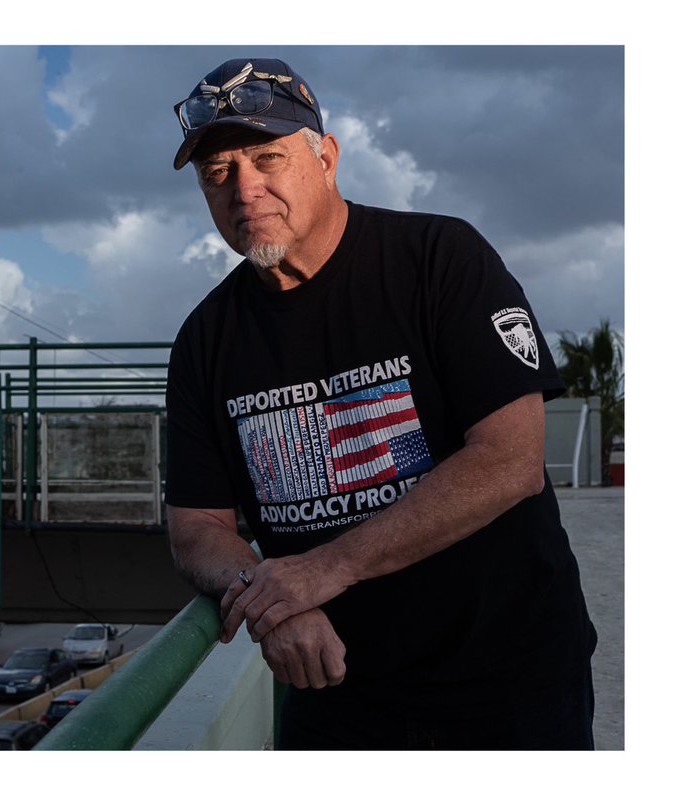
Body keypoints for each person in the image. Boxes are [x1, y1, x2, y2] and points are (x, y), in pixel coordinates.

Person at [164, 57, 597, 750]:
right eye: (218, 174)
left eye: (267, 157)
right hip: (334, 694)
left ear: (326, 158)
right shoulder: (204, 342)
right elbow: (195, 527)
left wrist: (325, 567)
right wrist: (270, 600)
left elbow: (511, 458)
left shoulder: (438, 259)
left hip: (507, 685)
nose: (245, 189)